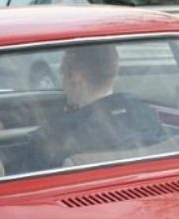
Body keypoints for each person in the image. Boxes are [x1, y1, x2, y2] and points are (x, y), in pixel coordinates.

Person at [20, 44, 166, 171]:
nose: (63, 84)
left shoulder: (50, 139)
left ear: (76, 76)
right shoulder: (147, 115)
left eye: (62, 73)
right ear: (114, 72)